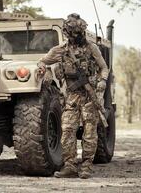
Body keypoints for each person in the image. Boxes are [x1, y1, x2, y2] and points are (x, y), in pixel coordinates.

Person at [37, 13, 109, 179]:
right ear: (68, 34)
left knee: (90, 133)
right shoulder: (60, 50)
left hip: (90, 96)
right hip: (71, 97)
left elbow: (104, 68)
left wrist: (103, 81)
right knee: (67, 131)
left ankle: (86, 167)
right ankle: (70, 166)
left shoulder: (92, 48)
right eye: (75, 33)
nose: (78, 35)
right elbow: (42, 61)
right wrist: (43, 68)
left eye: (80, 32)